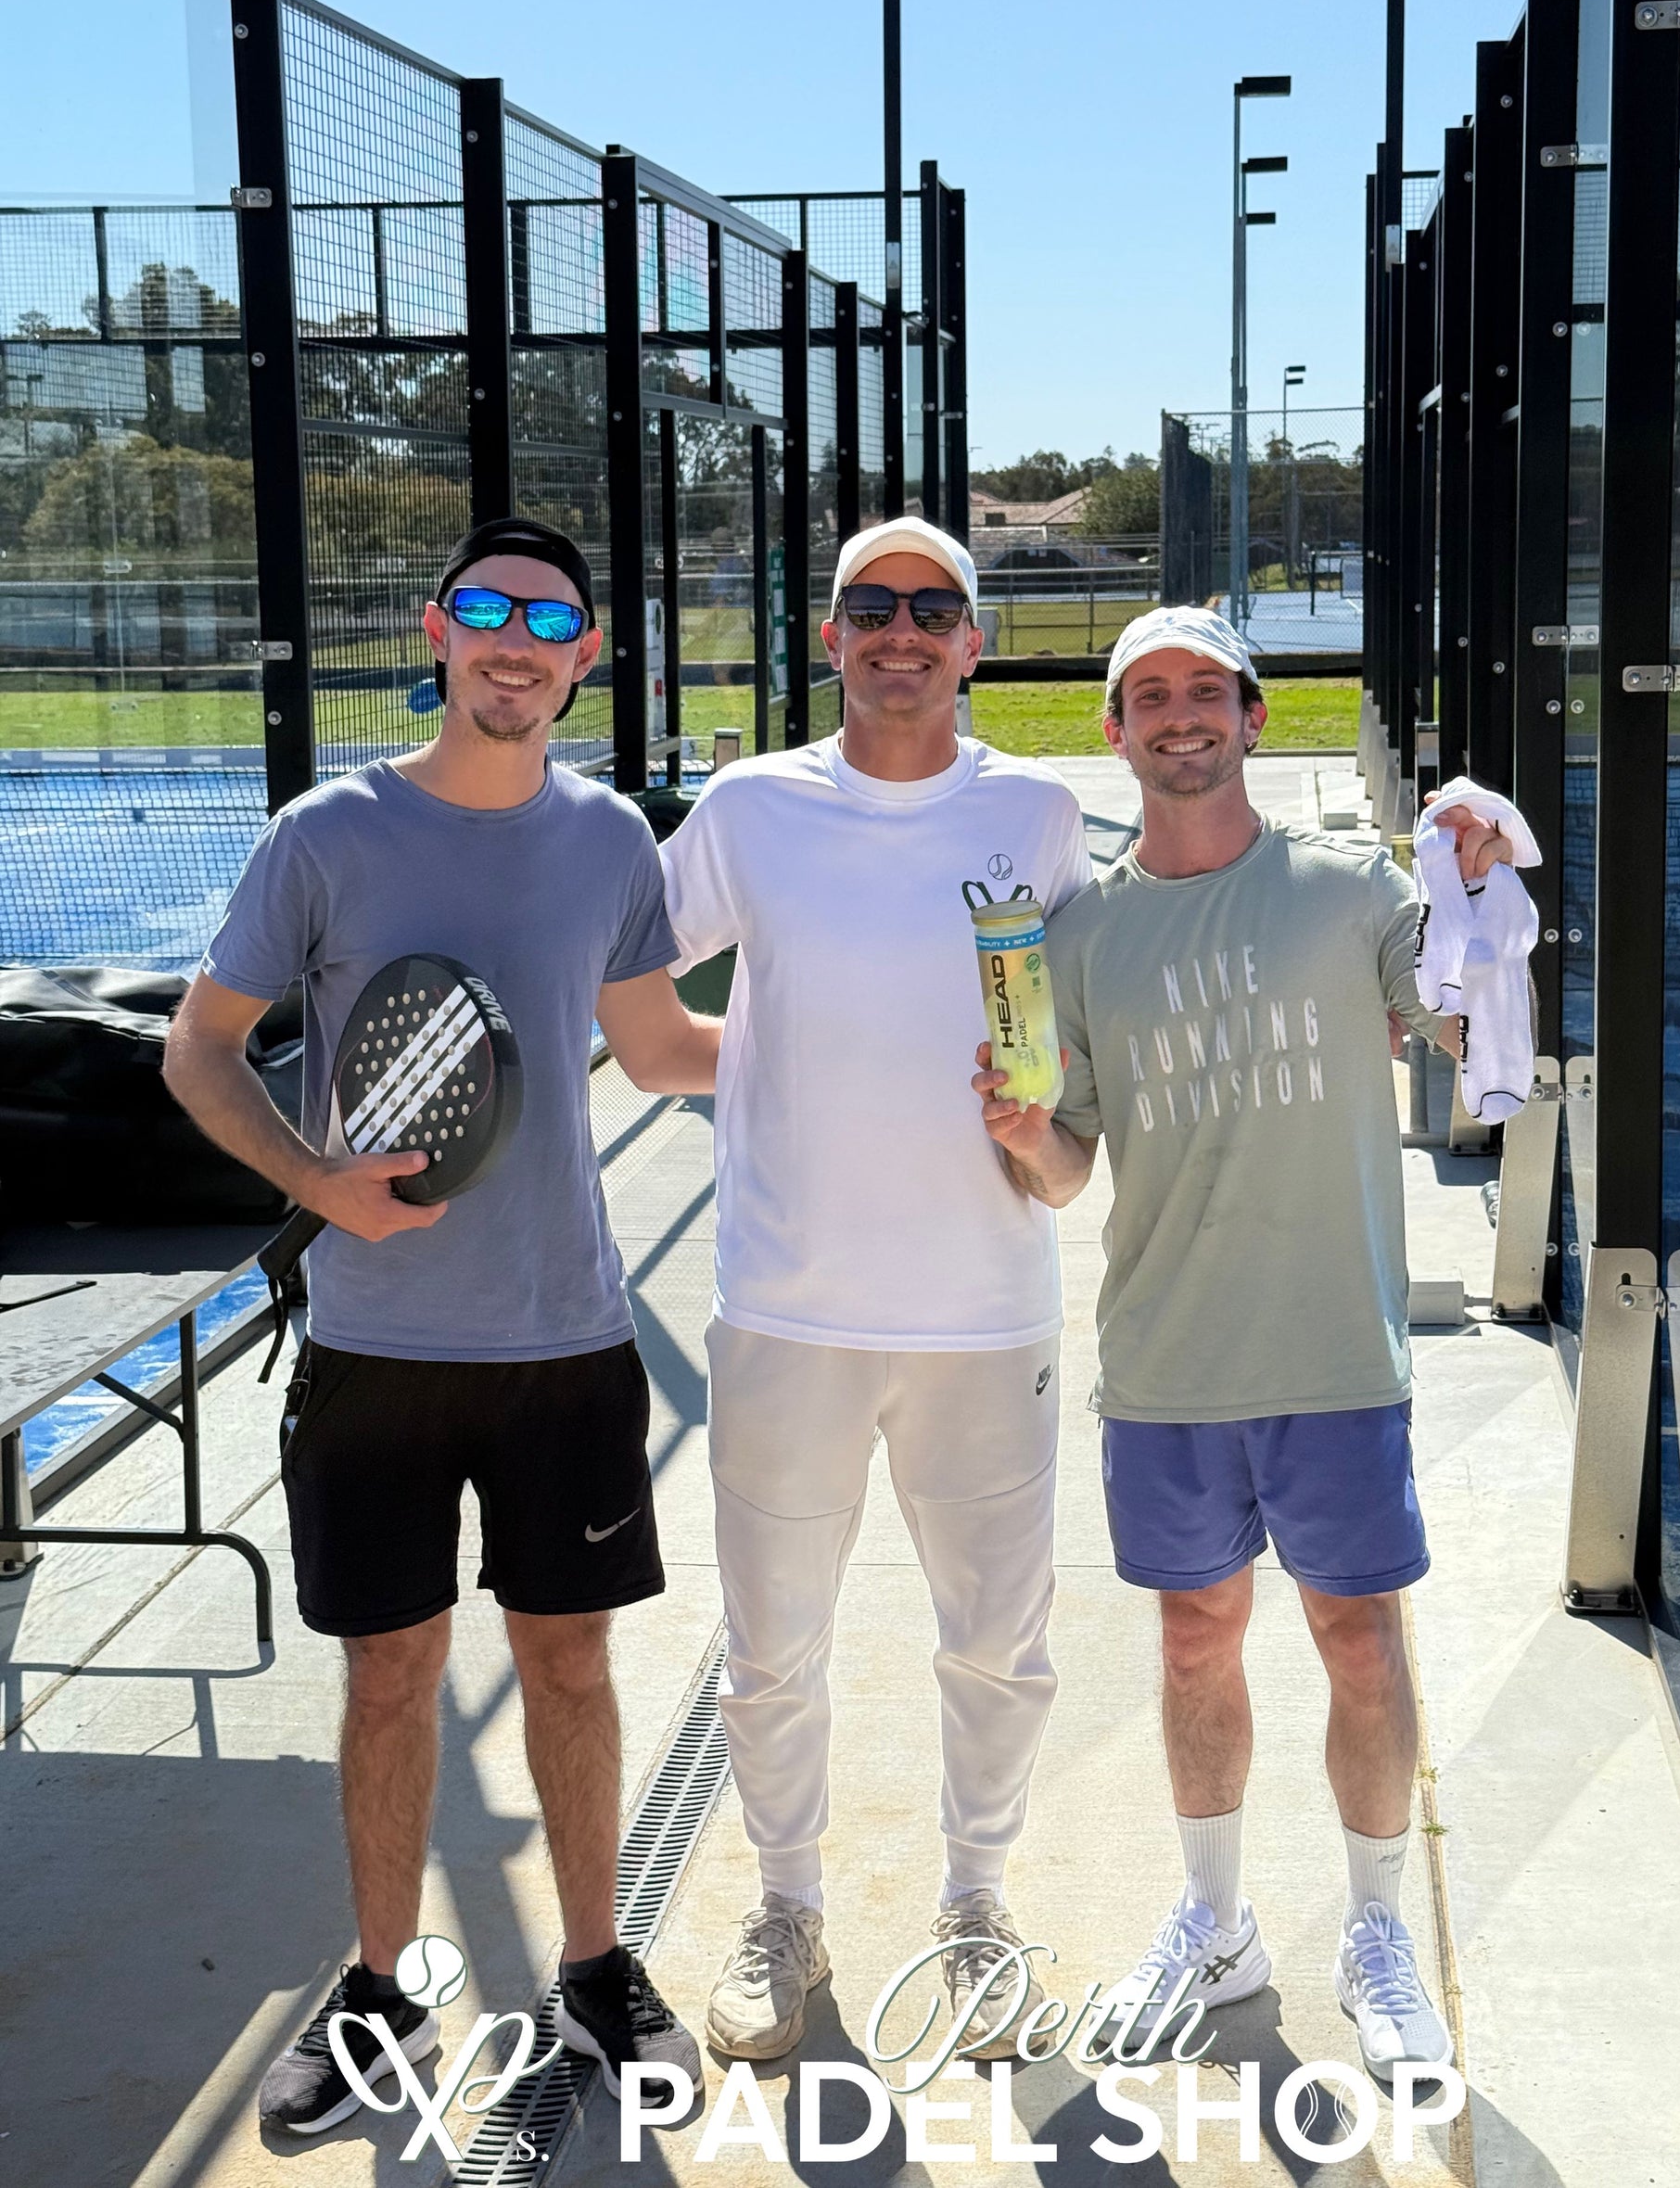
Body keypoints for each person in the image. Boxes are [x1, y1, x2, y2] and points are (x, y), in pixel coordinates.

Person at [165, 517, 712, 2132]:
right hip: (377, 1352)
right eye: (486, 610)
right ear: (436, 630)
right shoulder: (327, 835)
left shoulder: (608, 839)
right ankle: (379, 1991)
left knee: (569, 1663)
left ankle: (594, 1969)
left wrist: (857, 1038)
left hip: (566, 1342)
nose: (514, 643)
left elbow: (663, 1048)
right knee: (392, 1677)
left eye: (548, 621)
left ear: (585, 655)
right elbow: (200, 1049)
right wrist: (313, 1182)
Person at [972, 604, 1518, 2084]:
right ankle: (1215, 1924)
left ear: (1252, 718)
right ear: (1113, 732)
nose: (1179, 715)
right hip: (1166, 1362)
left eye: (1205, 691)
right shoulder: (1076, 937)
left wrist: (1478, 886)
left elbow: (1468, 1031)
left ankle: (1376, 1932)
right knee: (1191, 1637)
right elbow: (1069, 1167)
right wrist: (1021, 1133)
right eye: (1147, 694)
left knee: (1357, 1640)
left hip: (1332, 1349)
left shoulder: (1349, 890)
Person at [657, 516, 1094, 2062]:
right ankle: (785, 1909)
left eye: (931, 606)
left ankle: (976, 1909)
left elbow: (1079, 1068)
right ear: (828, 633)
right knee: (770, 1647)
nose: (898, 629)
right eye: (868, 606)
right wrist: (741, 1060)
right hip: (788, 1311)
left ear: (973, 643)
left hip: (985, 1311)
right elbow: (622, 971)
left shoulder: (1039, 814)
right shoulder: (749, 808)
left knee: (1000, 1644)